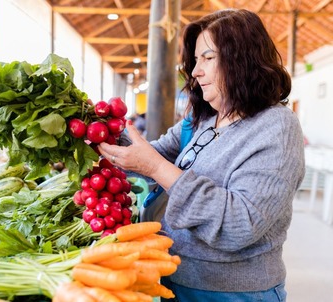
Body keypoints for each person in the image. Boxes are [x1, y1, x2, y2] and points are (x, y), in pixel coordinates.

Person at [98, 8, 305, 302]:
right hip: (173, 276)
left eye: (208, 58)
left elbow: (240, 223)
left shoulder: (276, 127)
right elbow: (148, 156)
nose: (195, 71)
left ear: (242, 60)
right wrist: (100, 128)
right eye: (196, 60)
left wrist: (157, 168)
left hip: (231, 292)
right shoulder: (206, 119)